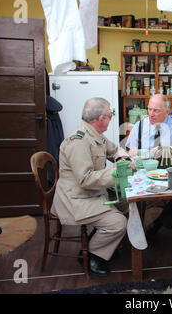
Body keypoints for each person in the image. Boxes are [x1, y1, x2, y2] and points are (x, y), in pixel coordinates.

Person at [52, 97, 133, 276]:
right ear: (100, 118)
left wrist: (122, 160)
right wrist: (118, 173)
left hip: (91, 193)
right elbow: (85, 179)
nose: (112, 117)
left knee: (126, 202)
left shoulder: (95, 135)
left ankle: (103, 244)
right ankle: (90, 256)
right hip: (75, 199)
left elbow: (115, 150)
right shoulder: (79, 141)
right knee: (119, 223)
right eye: (110, 114)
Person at [126, 94, 172, 239]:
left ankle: (159, 223)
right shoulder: (139, 126)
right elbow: (130, 152)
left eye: (156, 110)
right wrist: (134, 153)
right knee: (130, 192)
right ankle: (134, 232)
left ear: (167, 112)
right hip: (145, 173)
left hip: (171, 172)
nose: (151, 114)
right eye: (149, 109)